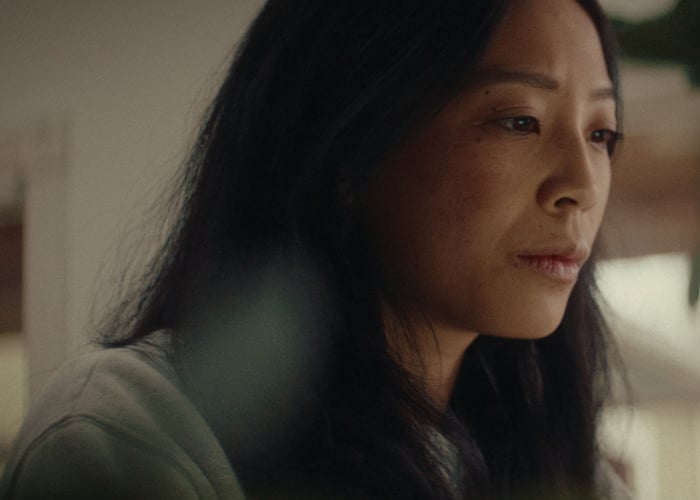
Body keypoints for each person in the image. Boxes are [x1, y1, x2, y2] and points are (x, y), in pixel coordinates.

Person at [0, 0, 628, 498]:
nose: (580, 183)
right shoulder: (132, 439)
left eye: (601, 133)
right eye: (519, 120)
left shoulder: (552, 463)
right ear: (347, 147)